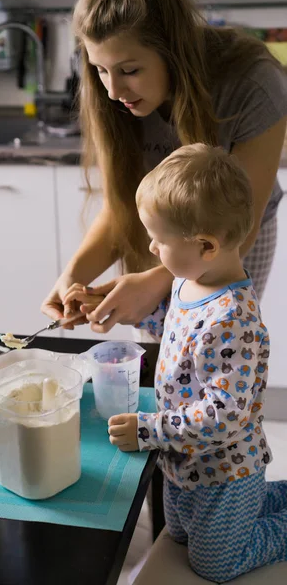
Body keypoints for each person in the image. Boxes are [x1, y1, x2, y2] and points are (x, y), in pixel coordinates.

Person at [41, 0, 287, 336]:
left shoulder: (251, 82)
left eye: (129, 70)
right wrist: (73, 277)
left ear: (171, 51)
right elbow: (121, 207)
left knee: (214, 339)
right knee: (156, 353)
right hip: (159, 226)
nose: (113, 92)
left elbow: (238, 227)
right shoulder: (111, 97)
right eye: (100, 69)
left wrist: (156, 281)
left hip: (236, 229)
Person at [101, 143, 287, 583]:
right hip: (185, 465)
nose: (149, 246)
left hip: (225, 472)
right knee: (179, 535)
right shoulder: (191, 283)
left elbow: (223, 417)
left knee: (215, 565)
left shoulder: (234, 320)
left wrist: (149, 430)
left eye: (158, 239)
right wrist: (128, 311)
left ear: (205, 245)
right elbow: (181, 334)